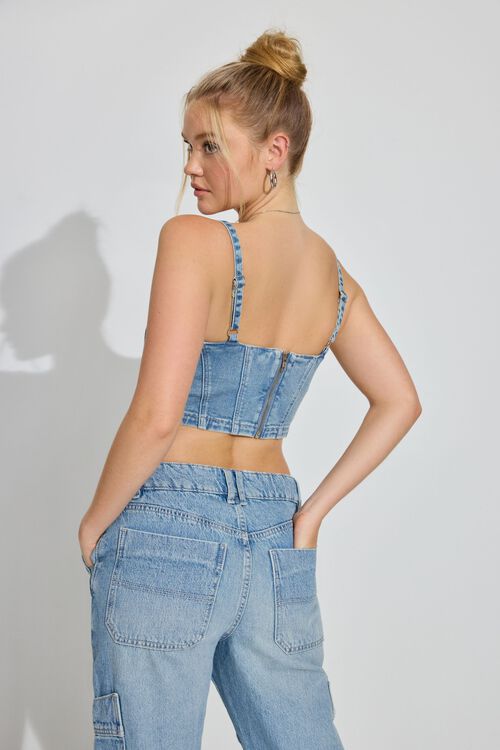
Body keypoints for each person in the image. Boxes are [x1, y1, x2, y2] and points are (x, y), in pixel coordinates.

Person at [78, 28, 422, 750]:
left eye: (209, 145)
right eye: (187, 146)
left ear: (275, 150)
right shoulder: (332, 276)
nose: (190, 167)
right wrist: (310, 515)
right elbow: (400, 400)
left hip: (168, 523)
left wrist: (94, 525)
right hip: (275, 534)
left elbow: (156, 416)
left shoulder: (193, 241)